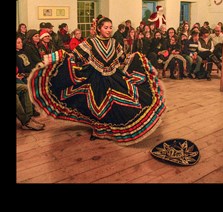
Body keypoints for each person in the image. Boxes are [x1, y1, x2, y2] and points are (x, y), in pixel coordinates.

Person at [28, 17, 166, 143]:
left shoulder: (114, 42)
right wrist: (58, 58)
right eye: (106, 27)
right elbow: (76, 55)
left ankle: (109, 129)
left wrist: (133, 57)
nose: (109, 30)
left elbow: (122, 58)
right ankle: (98, 130)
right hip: (94, 77)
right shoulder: (90, 42)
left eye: (110, 27)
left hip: (113, 76)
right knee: (96, 104)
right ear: (99, 28)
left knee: (120, 103)